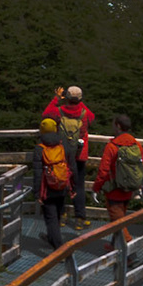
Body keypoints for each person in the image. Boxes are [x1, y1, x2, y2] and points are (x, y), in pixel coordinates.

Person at [44, 85, 95, 225]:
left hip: (63, 153)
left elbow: (46, 114)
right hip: (79, 154)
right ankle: (80, 218)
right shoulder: (84, 114)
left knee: (61, 183)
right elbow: (92, 117)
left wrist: (57, 98)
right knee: (78, 185)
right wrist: (78, 101)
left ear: (66, 97)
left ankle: (61, 216)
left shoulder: (59, 111)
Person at [92, 113, 143, 242]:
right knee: (119, 220)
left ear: (118, 126)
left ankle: (130, 253)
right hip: (129, 189)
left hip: (114, 191)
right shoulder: (136, 145)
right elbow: (141, 166)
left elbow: (103, 171)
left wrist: (96, 188)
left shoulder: (112, 147)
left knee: (119, 224)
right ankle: (114, 246)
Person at [31, 117, 75, 249]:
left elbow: (38, 173)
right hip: (62, 185)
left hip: (47, 189)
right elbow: (72, 167)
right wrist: (73, 186)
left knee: (51, 218)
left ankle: (59, 247)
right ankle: (52, 238)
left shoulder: (40, 149)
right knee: (56, 215)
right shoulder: (63, 145)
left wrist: (37, 193)